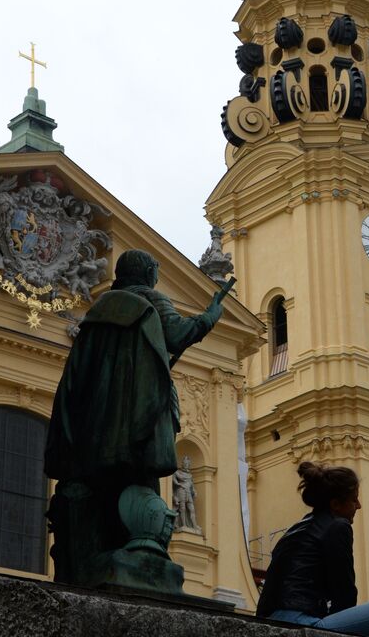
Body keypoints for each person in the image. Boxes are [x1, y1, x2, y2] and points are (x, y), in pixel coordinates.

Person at [44, 248, 230, 585]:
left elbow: (76, 378)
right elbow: (178, 335)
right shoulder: (151, 301)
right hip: (136, 430)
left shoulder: (97, 315)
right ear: (146, 273)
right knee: (137, 501)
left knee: (101, 505)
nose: (157, 275)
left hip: (94, 435)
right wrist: (211, 315)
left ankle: (95, 566)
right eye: (156, 268)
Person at [256, 461, 369, 637]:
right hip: (302, 622)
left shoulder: (299, 528)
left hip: (273, 621)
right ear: (335, 504)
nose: (358, 505)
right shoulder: (338, 526)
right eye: (353, 499)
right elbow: (345, 592)